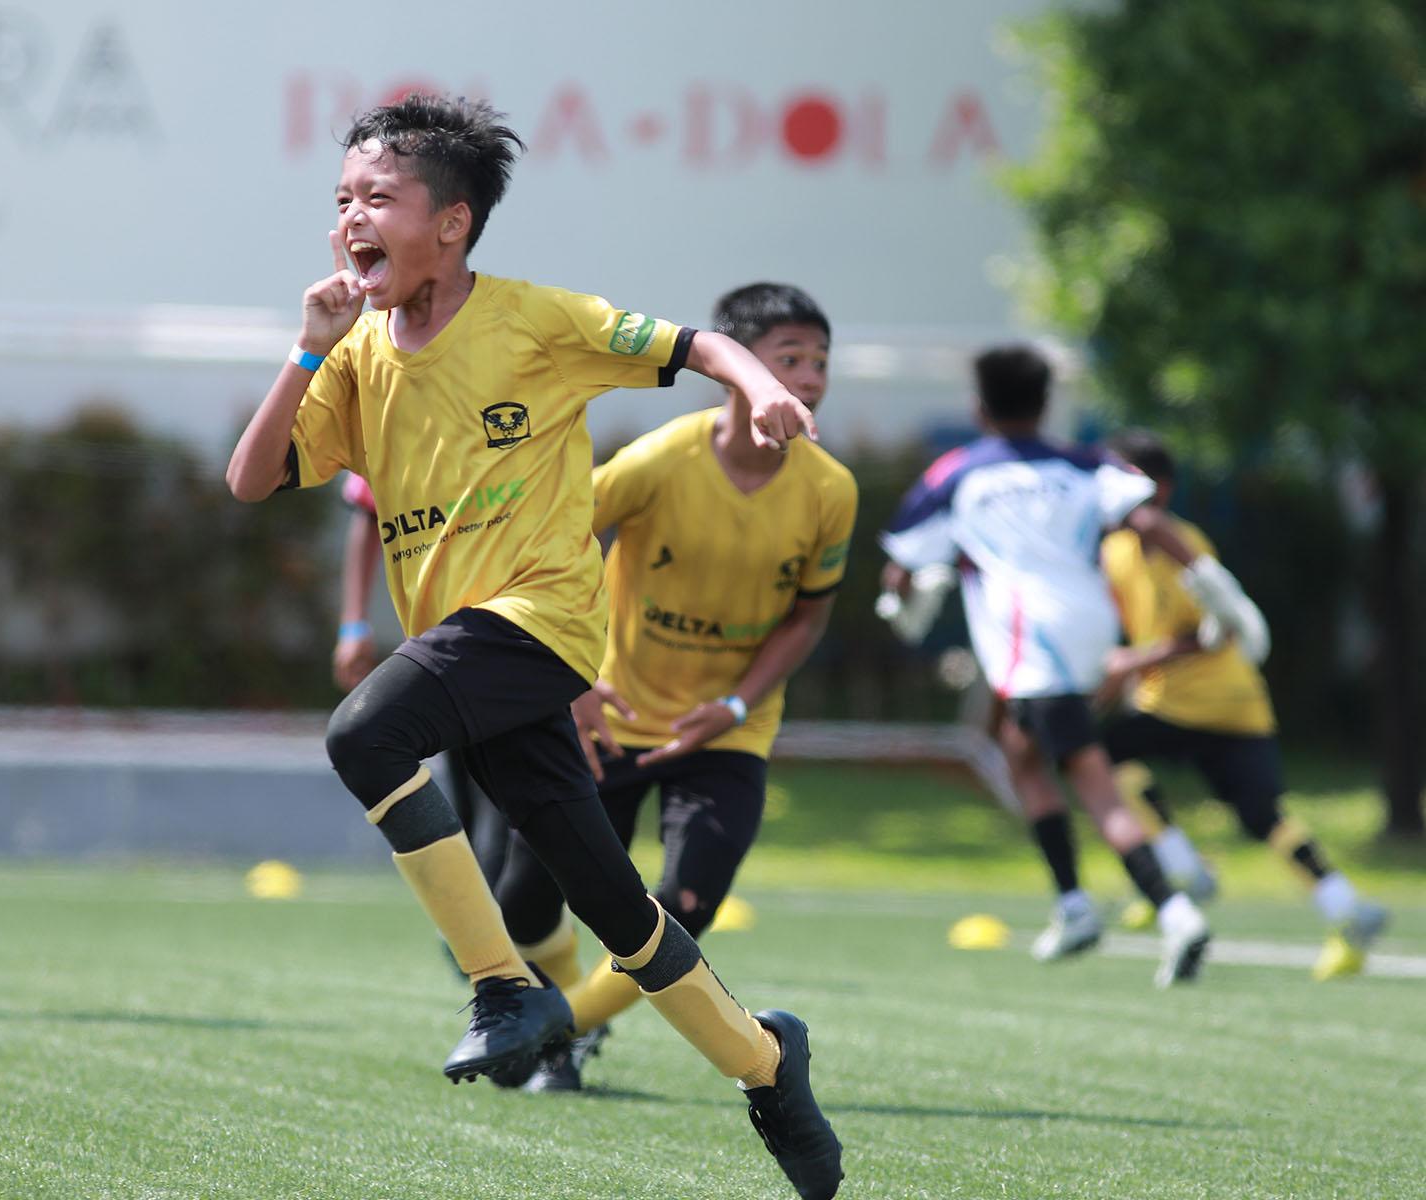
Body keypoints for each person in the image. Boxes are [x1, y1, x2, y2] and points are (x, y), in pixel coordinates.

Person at [227, 94, 842, 1198]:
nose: (348, 219)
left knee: (366, 734)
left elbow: (692, 344)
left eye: (378, 198)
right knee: (613, 903)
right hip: (465, 652)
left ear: (452, 224)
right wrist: (306, 354)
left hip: (540, 625)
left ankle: (499, 988)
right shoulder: (359, 353)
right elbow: (251, 477)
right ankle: (766, 1062)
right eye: (340, 201)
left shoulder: (538, 321)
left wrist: (757, 383)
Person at [492, 283, 856, 1093]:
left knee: (684, 901)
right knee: (524, 896)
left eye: (820, 361)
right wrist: (575, 678)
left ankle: (563, 1029)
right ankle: (547, 1012)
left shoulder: (831, 490)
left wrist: (734, 705)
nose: (810, 376)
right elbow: (554, 539)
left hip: (725, 731)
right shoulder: (664, 459)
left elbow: (806, 619)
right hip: (610, 717)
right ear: (736, 368)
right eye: (789, 357)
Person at [877, 344, 1262, 988]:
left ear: (978, 405)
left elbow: (902, 564)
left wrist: (903, 603)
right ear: (1046, 402)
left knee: (1092, 779)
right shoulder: (1086, 462)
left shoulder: (959, 470)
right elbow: (1148, 520)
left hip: (1035, 640)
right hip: (1090, 627)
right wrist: (1217, 588)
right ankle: (1074, 904)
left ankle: (1174, 912)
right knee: (1019, 750)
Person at [1097, 429, 1388, 980]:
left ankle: (1182, 868)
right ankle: (1346, 906)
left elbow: (1212, 632)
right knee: (1264, 816)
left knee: (1100, 755)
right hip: (1241, 704)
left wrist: (1135, 664)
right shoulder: (1117, 551)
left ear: (1159, 490)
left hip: (1194, 699)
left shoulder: (1180, 543)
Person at [335, 472, 509, 888]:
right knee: (469, 792)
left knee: (515, 800)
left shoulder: (533, 414)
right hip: (444, 642)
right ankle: (478, 931)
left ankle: (509, 932)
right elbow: (367, 514)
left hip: (521, 635)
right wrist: (353, 625)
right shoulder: (392, 412)